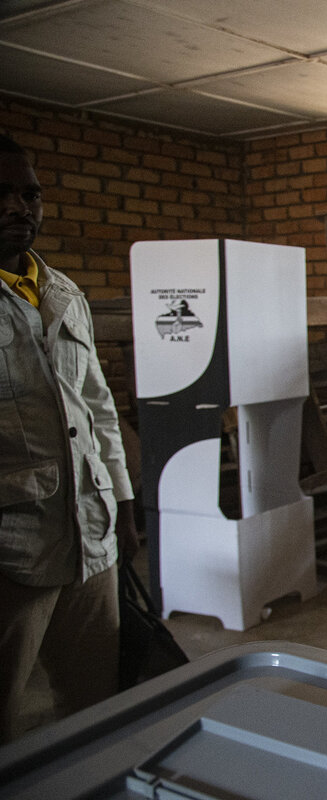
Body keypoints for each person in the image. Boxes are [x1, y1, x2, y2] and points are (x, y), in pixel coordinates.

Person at [0, 133, 138, 744]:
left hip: (92, 532)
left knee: (95, 700)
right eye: (0, 194)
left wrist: (125, 503)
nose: (18, 207)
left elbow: (99, 409)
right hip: (13, 544)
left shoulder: (62, 293)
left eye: (29, 193)